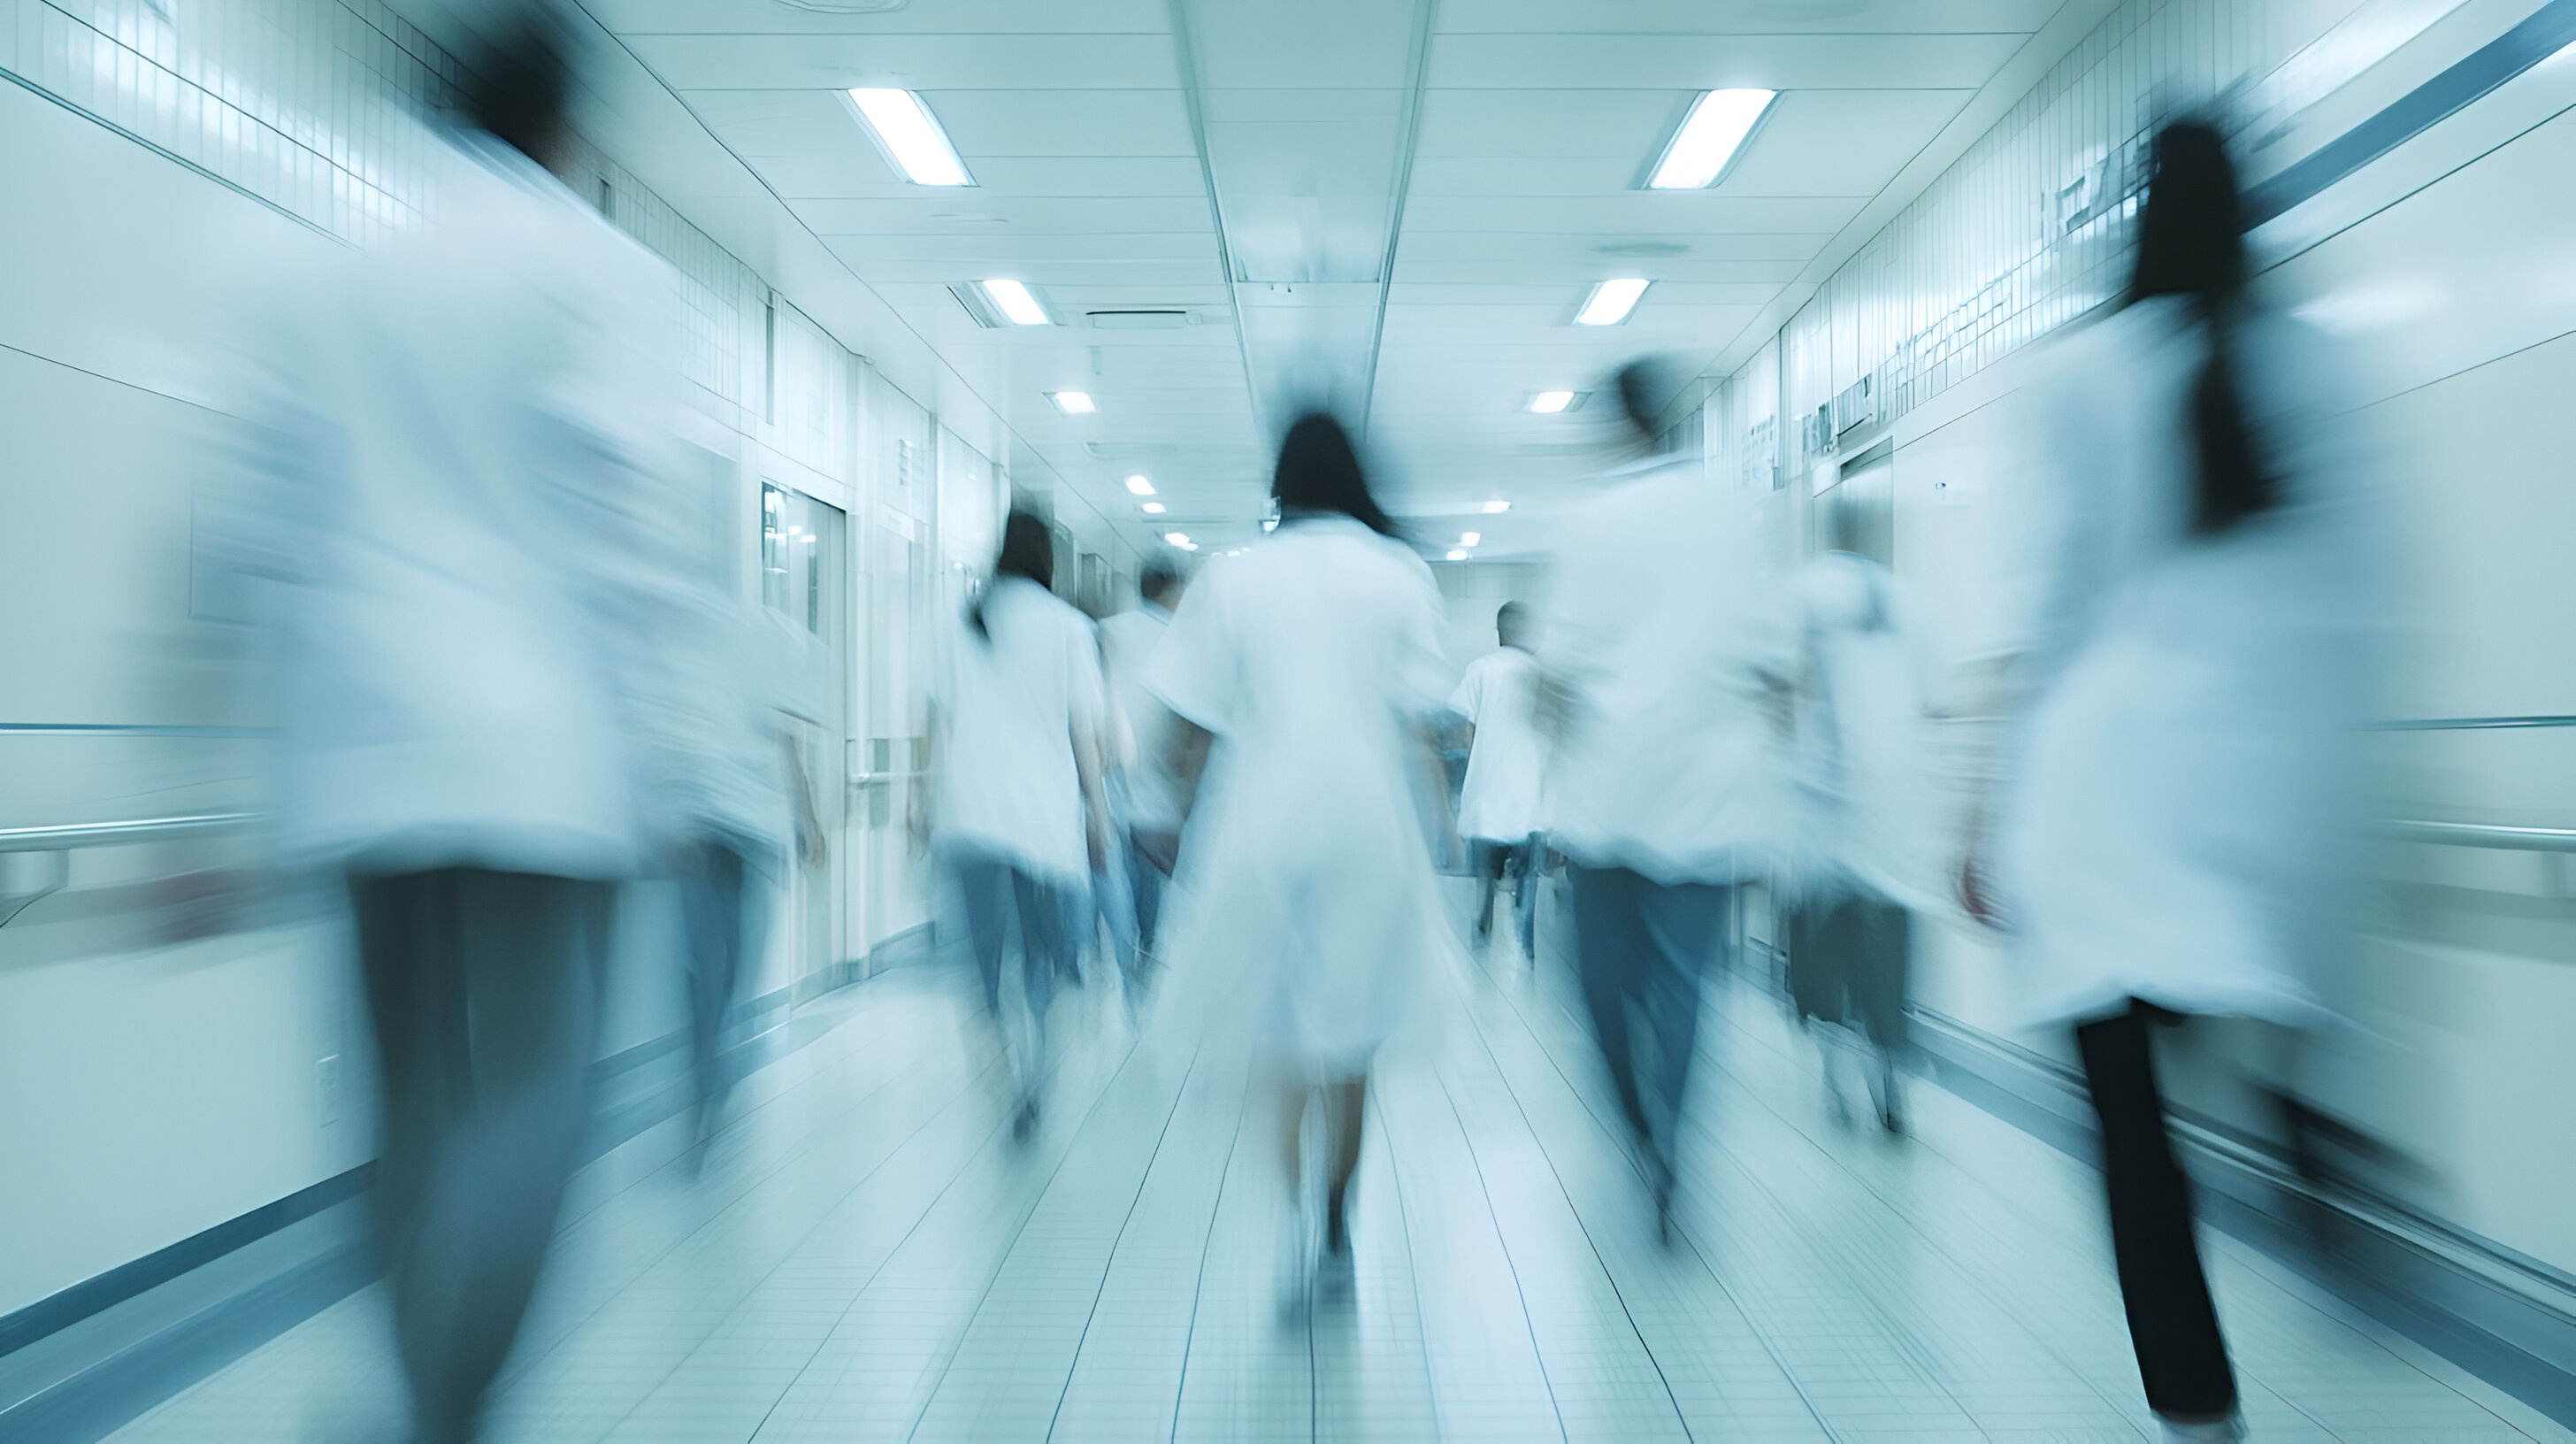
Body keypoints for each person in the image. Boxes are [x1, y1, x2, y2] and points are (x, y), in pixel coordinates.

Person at [218, 8, 702, 1439]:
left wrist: (198, 774)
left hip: (356, 749)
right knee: (537, 1095)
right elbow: (634, 537)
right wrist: (671, 757)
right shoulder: (598, 272)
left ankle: (416, 1377)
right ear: (567, 127)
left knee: (405, 1098)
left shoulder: (322, 259)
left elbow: (247, 519)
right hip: (540, 758)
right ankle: (440, 1403)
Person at [1981, 119, 2377, 1444]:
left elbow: (2048, 608)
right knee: (2256, 1020)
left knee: (2136, 1138)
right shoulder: (2313, 364)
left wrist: (1978, 814)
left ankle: (2198, 1413)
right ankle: (2299, 1111)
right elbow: (2359, 601)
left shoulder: (2086, 371)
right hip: (2262, 795)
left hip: (2104, 798)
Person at [1147, 413, 1449, 1300]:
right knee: (1349, 1034)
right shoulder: (1397, 571)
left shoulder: (1235, 576)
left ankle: (1291, 1219)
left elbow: (1184, 716)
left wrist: (1173, 794)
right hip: (1367, 822)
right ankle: (1334, 1224)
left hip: (1262, 818)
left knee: (1277, 1032)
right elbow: (1420, 713)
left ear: (1278, 479)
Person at [1539, 359, 1797, 1240]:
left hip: (1607, 797)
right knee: (1687, 986)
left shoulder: (1590, 519)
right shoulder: (1734, 514)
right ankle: (1672, 1145)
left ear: (1617, 423)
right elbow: (1772, 672)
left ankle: (1642, 1135)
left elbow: (1556, 677)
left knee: (1601, 990)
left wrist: (1554, 786)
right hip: (1707, 799)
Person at [917, 508, 1111, 1141]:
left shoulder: (958, 620)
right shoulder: (1069, 628)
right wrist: (1100, 816)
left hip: (968, 816)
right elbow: (1086, 734)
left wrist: (920, 806)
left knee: (979, 972)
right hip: (1044, 824)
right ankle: (1038, 1081)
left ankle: (1004, 1088)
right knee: (1046, 967)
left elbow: (936, 724)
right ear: (1046, 558)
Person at [1782, 550, 1940, 1133]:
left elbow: (1786, 696)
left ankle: (1839, 1085)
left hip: (1825, 821)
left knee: (1826, 963)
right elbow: (1930, 704)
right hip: (1892, 821)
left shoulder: (1804, 594)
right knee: (1888, 960)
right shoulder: (1910, 608)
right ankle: (1889, 1081)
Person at [1096, 559, 1188, 997]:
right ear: (1169, 591)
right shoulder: (1181, 637)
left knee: (1121, 858)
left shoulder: (1109, 630)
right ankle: (1144, 947)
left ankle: (1123, 942)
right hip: (1159, 766)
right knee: (1151, 865)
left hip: (1113, 758)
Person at [1450, 601, 1546, 962]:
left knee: (1486, 869)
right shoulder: (1540, 673)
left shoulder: (1480, 669)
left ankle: (1486, 910)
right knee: (1528, 867)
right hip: (1528, 789)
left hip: (1488, 787)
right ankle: (1526, 932)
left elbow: (1464, 730)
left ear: (1499, 631)